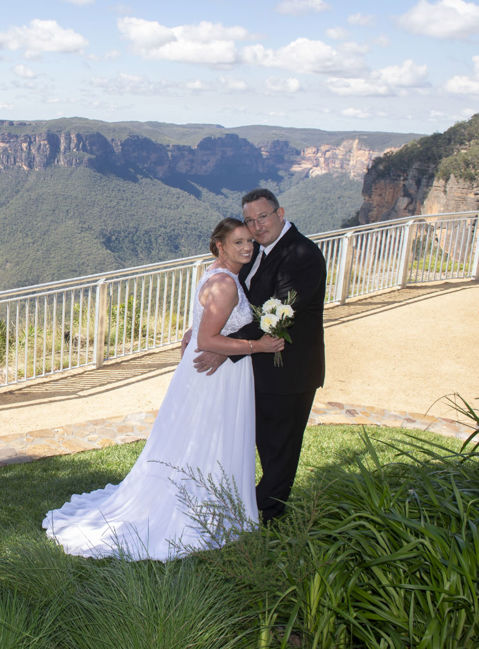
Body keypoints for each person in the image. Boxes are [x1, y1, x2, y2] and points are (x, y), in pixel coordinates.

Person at [42, 218, 284, 560]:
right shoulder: (225, 284)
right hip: (216, 376)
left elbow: (202, 325)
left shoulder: (215, 272)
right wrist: (259, 346)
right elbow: (207, 339)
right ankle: (202, 506)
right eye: (239, 242)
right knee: (210, 436)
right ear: (220, 246)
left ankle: (211, 499)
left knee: (196, 436)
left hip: (208, 371)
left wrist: (196, 332)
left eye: (250, 242)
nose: (248, 248)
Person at [192, 188, 326, 523]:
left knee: (280, 446)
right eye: (250, 221)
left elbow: (280, 313)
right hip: (263, 368)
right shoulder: (260, 253)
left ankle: (266, 514)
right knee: (264, 441)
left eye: (262, 217)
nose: (256, 226)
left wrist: (224, 348)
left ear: (280, 214)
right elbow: (247, 306)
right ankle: (252, 503)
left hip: (289, 370)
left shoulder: (301, 254)